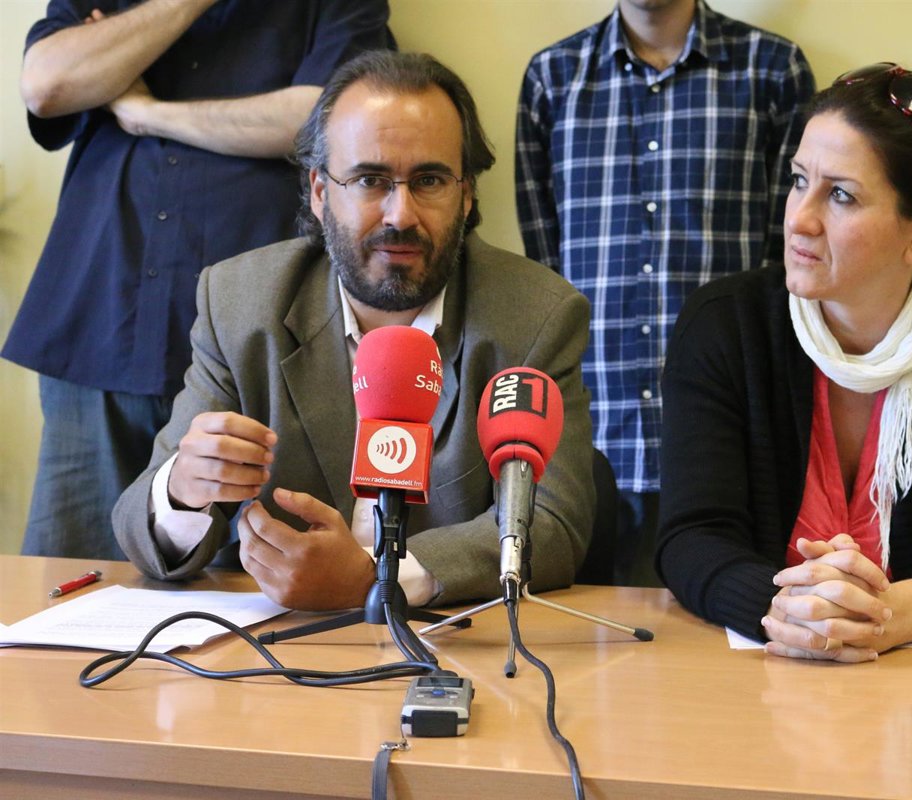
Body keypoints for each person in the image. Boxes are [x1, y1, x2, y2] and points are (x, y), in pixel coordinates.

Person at [112, 51, 595, 612]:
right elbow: (142, 533)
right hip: (273, 640)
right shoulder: (241, 303)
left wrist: (377, 582)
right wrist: (183, 490)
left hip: (452, 641)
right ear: (320, 191)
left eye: (430, 180)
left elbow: (553, 525)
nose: (400, 215)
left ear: (466, 196)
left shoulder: (535, 316)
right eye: (369, 179)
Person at [657, 64, 912, 662]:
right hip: (763, 673)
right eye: (799, 181)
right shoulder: (724, 323)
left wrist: (886, 616)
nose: (799, 218)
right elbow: (691, 536)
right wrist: (787, 612)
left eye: (840, 195)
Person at [5, 0, 393, 561]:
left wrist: (145, 113)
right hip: (100, 326)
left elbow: (323, 125)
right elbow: (46, 84)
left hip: (258, 343)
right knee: (72, 576)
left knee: (251, 579)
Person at [515, 0, 814, 585]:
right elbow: (543, 266)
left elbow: (789, 265)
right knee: (595, 632)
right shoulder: (553, 77)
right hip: (596, 430)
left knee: (724, 623)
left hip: (729, 432)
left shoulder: (772, 70)